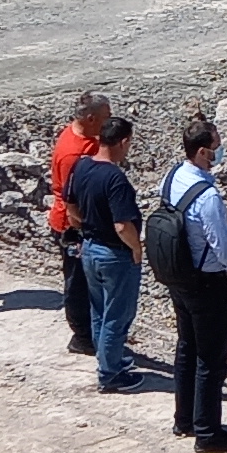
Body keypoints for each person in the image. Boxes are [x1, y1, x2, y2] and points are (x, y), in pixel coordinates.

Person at [154, 117, 227, 452]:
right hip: (207, 282)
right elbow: (222, 247)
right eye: (216, 147)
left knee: (187, 347)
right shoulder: (208, 196)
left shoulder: (172, 177)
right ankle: (208, 432)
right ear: (202, 152)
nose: (220, 153)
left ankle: (185, 419)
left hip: (179, 275)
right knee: (211, 357)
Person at [64, 115, 145, 392]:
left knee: (99, 310)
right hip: (115, 254)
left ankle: (108, 360)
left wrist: (85, 223)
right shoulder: (115, 178)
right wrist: (136, 248)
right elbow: (122, 225)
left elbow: (70, 206)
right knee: (117, 316)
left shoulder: (81, 166)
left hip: (90, 249)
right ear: (123, 142)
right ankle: (110, 374)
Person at [43, 92, 112, 355]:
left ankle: (94, 331)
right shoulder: (73, 153)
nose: (109, 122)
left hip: (81, 222)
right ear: (91, 118)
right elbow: (73, 199)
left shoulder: (83, 138)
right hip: (72, 227)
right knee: (78, 283)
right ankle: (82, 336)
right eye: (106, 117)